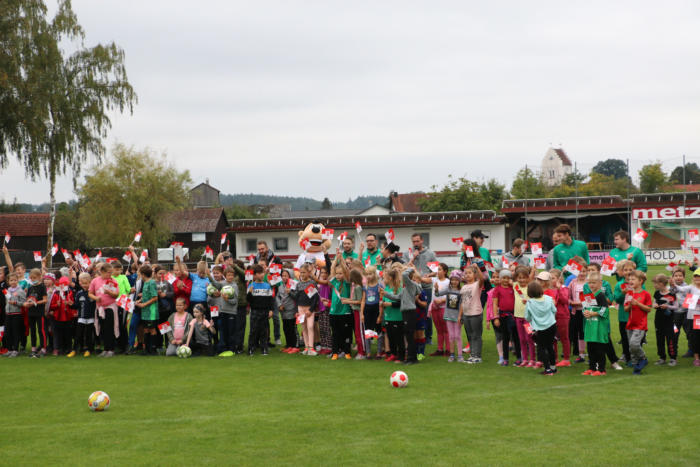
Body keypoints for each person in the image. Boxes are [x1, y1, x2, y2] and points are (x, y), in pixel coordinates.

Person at [383, 266, 422, 365]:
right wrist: (385, 293)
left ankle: (411, 358)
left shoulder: (410, 285)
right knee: (409, 336)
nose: (400, 276)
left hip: (410, 312)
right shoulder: (405, 288)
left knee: (410, 336)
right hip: (406, 313)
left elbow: (405, 275)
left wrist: (410, 268)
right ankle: (411, 358)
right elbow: (396, 297)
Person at [403, 233, 437, 344]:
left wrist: (428, 276)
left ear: (422, 241)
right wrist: (413, 257)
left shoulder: (430, 253)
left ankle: (428, 337)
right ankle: (414, 336)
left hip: (425, 287)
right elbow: (404, 269)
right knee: (413, 313)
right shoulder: (407, 253)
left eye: (417, 241)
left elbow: (435, 271)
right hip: (411, 287)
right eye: (413, 242)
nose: (415, 244)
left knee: (427, 313)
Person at [524, 281, 557, 375]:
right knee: (550, 346)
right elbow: (554, 310)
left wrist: (532, 321)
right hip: (552, 325)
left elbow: (527, 317)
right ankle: (553, 367)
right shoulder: (549, 298)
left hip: (540, 328)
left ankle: (547, 369)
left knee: (542, 348)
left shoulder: (529, 303)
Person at [582, 272, 611, 375]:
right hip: (590, 326)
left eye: (594, 282)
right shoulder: (588, 295)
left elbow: (605, 310)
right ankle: (592, 367)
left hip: (599, 327)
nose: (591, 285)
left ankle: (601, 369)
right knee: (590, 348)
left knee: (599, 349)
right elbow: (585, 307)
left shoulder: (601, 295)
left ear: (600, 283)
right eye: (589, 282)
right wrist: (585, 312)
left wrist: (593, 313)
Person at [624, 270, 653, 375]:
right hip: (630, 324)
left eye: (633, 279)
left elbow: (649, 309)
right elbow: (626, 309)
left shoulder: (646, 294)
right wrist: (630, 305)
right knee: (631, 348)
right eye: (629, 279)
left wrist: (638, 303)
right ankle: (637, 368)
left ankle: (643, 358)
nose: (630, 281)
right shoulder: (629, 293)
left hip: (640, 325)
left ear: (640, 281)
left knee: (634, 344)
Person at [89, 263, 120, 358]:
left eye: (111, 273)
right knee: (102, 329)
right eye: (108, 273)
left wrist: (108, 292)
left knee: (109, 328)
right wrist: (96, 298)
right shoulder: (95, 281)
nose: (110, 275)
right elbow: (90, 293)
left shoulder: (113, 281)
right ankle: (105, 349)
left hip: (110, 307)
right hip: (100, 308)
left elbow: (116, 295)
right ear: (102, 272)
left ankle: (111, 349)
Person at [207, 265, 239, 356]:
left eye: (232, 275)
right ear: (225, 276)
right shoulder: (223, 284)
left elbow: (235, 301)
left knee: (231, 332)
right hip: (223, 312)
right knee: (224, 332)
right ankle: (224, 349)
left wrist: (227, 299)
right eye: (228, 275)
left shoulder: (234, 286)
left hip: (231, 312)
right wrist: (209, 276)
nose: (230, 277)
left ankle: (232, 349)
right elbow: (215, 284)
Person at [434, 270, 464, 362]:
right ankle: (451, 355)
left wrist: (460, 316)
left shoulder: (461, 291)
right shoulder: (448, 290)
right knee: (451, 336)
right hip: (448, 316)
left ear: (459, 281)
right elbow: (437, 294)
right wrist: (436, 289)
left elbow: (462, 304)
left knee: (457, 336)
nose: (454, 282)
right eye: (452, 280)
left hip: (457, 317)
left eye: (456, 280)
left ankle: (460, 355)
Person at [612, 259, 638, 364]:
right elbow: (617, 299)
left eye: (630, 269)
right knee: (625, 339)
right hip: (623, 316)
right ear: (622, 272)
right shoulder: (619, 285)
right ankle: (628, 358)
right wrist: (623, 294)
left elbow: (643, 296)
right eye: (625, 270)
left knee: (636, 339)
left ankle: (637, 357)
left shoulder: (638, 283)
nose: (628, 272)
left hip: (636, 316)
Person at [544, 270, 571, 367]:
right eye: (549, 278)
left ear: (559, 279)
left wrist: (559, 289)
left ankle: (566, 359)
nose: (551, 280)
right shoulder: (548, 289)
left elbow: (564, 301)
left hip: (562, 316)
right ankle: (554, 358)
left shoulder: (564, 288)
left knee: (564, 337)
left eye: (553, 278)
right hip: (551, 317)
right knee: (553, 338)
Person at [246, 264, 274, 356]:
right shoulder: (251, 285)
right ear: (254, 275)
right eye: (258, 273)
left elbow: (270, 299)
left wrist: (271, 310)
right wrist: (249, 292)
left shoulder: (267, 285)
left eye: (262, 272)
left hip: (265, 311)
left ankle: (264, 349)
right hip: (254, 311)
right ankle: (251, 349)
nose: (261, 275)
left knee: (264, 331)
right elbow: (248, 300)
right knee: (253, 331)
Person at [293, 264, 320, 356]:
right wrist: (296, 311)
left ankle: (311, 348)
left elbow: (315, 298)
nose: (302, 274)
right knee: (304, 327)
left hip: (309, 309)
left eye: (304, 272)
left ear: (308, 273)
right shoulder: (299, 284)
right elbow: (296, 298)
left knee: (310, 326)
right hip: (300, 308)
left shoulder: (312, 283)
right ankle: (306, 347)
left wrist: (311, 310)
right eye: (301, 272)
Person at [492, 269, 517, 366]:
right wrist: (496, 317)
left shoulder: (513, 287)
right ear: (500, 278)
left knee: (515, 337)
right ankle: (505, 358)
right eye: (503, 278)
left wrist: (513, 284)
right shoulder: (497, 289)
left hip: (513, 315)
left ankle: (519, 357)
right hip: (502, 316)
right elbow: (495, 304)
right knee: (505, 338)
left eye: (508, 278)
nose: (506, 280)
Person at [461, 264, 484, 364]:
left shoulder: (477, 284)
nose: (467, 275)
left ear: (474, 275)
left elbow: (482, 278)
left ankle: (477, 356)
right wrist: (460, 315)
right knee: (470, 335)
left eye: (470, 273)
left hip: (475, 313)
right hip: (466, 314)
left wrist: (477, 268)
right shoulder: (464, 287)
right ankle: (472, 355)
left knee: (476, 335)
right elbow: (462, 302)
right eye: (466, 273)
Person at [379, 267, 404, 362]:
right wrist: (382, 303)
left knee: (399, 338)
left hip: (397, 318)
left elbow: (401, 303)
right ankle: (393, 354)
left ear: (389, 278)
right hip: (388, 317)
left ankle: (401, 357)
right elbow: (384, 301)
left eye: (384, 277)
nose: (382, 279)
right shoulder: (387, 289)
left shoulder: (398, 288)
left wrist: (390, 304)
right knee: (391, 338)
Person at [513, 266, 535, 367]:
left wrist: (529, 301)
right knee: (521, 339)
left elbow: (536, 300)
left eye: (524, 277)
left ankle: (532, 359)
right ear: (516, 278)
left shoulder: (531, 287)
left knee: (529, 338)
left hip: (528, 318)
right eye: (519, 277)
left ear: (527, 278)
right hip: (518, 317)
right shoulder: (515, 286)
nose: (522, 280)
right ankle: (525, 359)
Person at [652, 274, 676, 366]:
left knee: (670, 339)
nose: (654, 285)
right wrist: (655, 305)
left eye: (656, 283)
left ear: (662, 283)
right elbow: (654, 302)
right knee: (659, 339)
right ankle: (662, 357)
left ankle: (673, 358)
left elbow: (676, 306)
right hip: (658, 319)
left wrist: (667, 306)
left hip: (670, 320)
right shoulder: (657, 293)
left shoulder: (671, 293)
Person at [567, 256, 588, 363]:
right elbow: (567, 296)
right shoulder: (573, 282)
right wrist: (572, 302)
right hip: (576, 311)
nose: (582, 273)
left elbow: (592, 296)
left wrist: (584, 303)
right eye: (580, 271)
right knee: (579, 332)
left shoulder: (589, 283)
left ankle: (588, 352)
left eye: (584, 271)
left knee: (587, 332)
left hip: (587, 312)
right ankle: (581, 354)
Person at [136, 264, 159, 356]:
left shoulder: (152, 283)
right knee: (145, 329)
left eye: (140, 274)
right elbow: (146, 296)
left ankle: (153, 349)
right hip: (145, 311)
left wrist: (144, 304)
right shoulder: (145, 283)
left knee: (152, 329)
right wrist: (139, 301)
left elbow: (155, 297)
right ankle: (146, 349)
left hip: (151, 311)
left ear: (143, 274)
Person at [49, 276, 75, 356]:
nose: (62, 286)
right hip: (58, 317)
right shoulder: (56, 293)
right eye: (61, 284)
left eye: (64, 284)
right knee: (58, 334)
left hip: (68, 317)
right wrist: (56, 305)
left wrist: (70, 304)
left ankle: (68, 348)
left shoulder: (70, 292)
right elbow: (52, 306)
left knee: (68, 334)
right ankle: (58, 348)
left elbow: (73, 304)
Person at [24, 268, 47, 357]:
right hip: (31, 312)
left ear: (39, 277)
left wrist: (35, 303)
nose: (33, 279)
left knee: (41, 331)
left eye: (34, 278)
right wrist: (27, 303)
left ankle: (43, 349)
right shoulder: (30, 288)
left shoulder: (42, 287)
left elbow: (45, 300)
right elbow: (28, 299)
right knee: (32, 331)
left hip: (39, 312)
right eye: (31, 278)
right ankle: (33, 349)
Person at [428, 263, 450, 357]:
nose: (438, 271)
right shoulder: (434, 280)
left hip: (443, 308)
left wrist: (442, 300)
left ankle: (448, 350)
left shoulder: (448, 282)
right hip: (434, 308)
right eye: (438, 269)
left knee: (446, 330)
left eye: (440, 269)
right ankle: (440, 349)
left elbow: (451, 294)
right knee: (439, 330)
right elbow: (421, 279)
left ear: (445, 272)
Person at [72, 272, 95, 357]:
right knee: (78, 334)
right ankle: (74, 350)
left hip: (91, 318)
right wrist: (71, 304)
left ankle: (88, 350)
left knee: (89, 335)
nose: (84, 285)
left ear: (90, 282)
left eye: (86, 283)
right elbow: (77, 305)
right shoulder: (79, 293)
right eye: (82, 283)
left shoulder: (93, 293)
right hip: (81, 317)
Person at [276, 269, 299, 353]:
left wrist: (290, 292)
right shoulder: (280, 286)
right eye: (282, 276)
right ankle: (288, 345)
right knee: (285, 328)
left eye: (286, 275)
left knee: (292, 329)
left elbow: (297, 297)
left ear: (290, 276)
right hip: (283, 311)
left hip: (292, 310)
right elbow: (277, 297)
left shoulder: (294, 286)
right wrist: (279, 305)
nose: (284, 277)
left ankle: (295, 346)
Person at [3, 272, 26, 357]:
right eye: (11, 280)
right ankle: (9, 349)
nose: (13, 282)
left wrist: (15, 303)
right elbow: (7, 302)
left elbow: (24, 302)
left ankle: (15, 350)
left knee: (16, 332)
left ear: (17, 280)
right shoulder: (7, 290)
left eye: (15, 280)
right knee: (7, 333)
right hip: (8, 314)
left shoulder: (20, 291)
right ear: (8, 281)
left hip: (17, 314)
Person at [361, 266, 381, 358]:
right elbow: (363, 300)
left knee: (378, 330)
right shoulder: (365, 286)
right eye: (367, 274)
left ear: (374, 274)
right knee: (368, 331)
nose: (369, 276)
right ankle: (368, 352)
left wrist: (380, 315)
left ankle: (379, 352)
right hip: (368, 309)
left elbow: (381, 300)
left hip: (376, 308)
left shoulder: (379, 285)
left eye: (370, 274)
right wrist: (361, 313)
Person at [485, 269, 503, 364]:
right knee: (498, 336)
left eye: (498, 277)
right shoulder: (490, 292)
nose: (495, 279)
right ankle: (501, 356)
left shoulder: (505, 289)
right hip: (493, 317)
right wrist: (488, 320)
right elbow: (488, 306)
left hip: (504, 316)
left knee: (507, 336)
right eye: (494, 277)